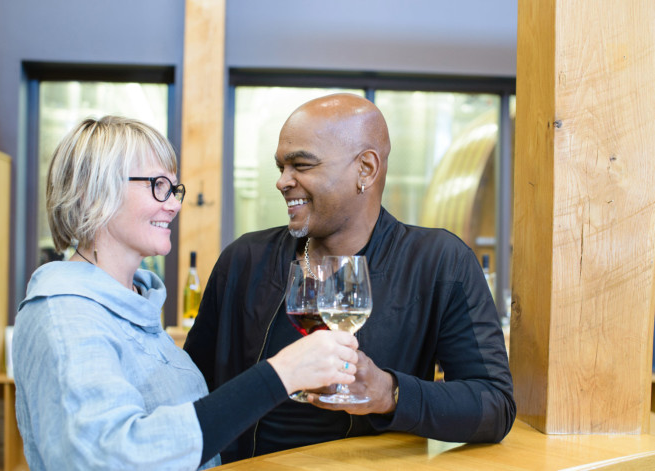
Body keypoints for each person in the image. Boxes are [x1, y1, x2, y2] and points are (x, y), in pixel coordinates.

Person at [12, 116, 360, 471]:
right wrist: (281, 374)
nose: (174, 205)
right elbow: (109, 457)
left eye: (174, 189)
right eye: (158, 186)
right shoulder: (65, 316)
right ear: (92, 192)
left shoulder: (132, 304)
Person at [184, 93, 516, 462]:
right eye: (281, 167)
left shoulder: (439, 262)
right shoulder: (243, 260)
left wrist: (389, 393)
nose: (282, 181)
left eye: (301, 165)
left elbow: (493, 405)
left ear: (366, 169)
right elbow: (190, 390)